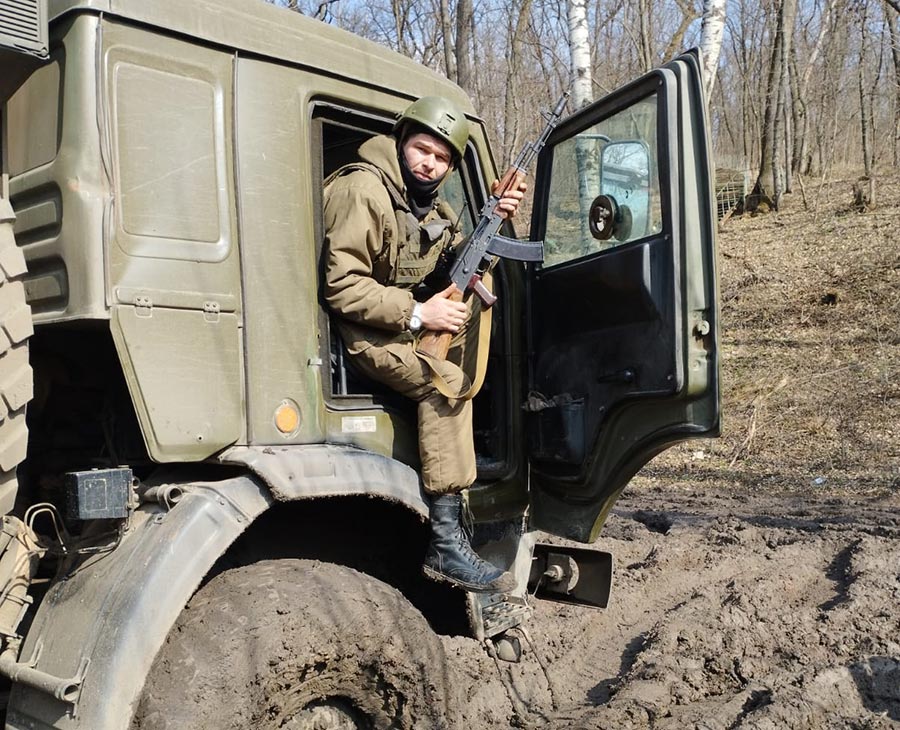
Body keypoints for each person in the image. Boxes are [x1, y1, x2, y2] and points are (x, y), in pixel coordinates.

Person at [323, 96, 525, 593]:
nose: (428, 163)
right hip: (361, 330)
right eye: (420, 149)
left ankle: (453, 521)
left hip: (398, 326)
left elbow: (453, 264)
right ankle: (444, 542)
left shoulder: (434, 205)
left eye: (441, 158)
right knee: (448, 384)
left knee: (456, 365)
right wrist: (419, 313)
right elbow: (341, 286)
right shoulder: (363, 190)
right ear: (401, 143)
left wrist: (493, 222)